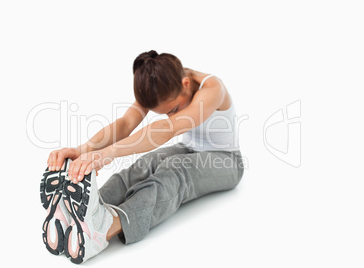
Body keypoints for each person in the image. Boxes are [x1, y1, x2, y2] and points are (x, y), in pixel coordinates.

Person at [41, 50, 245, 264]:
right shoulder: (159, 84)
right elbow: (126, 124)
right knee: (142, 166)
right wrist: (84, 150)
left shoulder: (213, 89)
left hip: (227, 161)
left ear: (186, 84)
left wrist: (107, 154)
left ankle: (108, 226)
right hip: (189, 148)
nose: (171, 115)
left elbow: (168, 128)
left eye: (173, 109)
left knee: (175, 170)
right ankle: (86, 210)